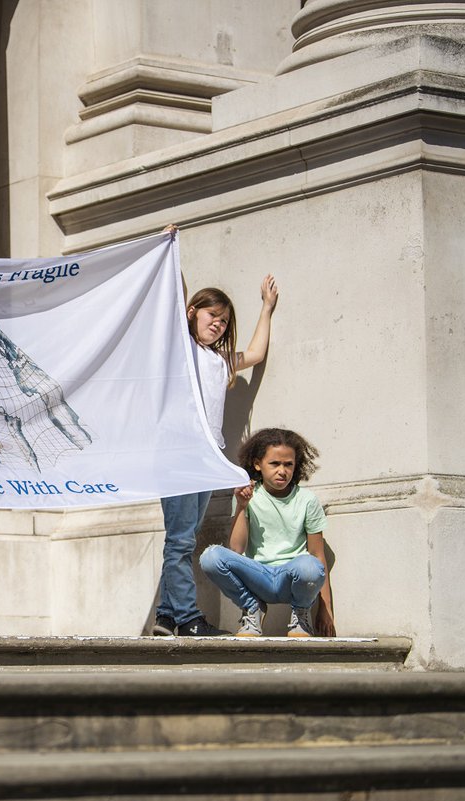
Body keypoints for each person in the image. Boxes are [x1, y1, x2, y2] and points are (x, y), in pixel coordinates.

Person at [153, 233, 279, 637]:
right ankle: (187, 618)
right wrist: (171, 250)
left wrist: (267, 308)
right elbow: (174, 295)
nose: (218, 325)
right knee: (179, 539)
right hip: (177, 453)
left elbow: (255, 354)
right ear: (192, 313)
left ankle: (167, 616)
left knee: (185, 537)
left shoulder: (219, 360)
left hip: (208, 456)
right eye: (212, 317)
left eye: (224, 321)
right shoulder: (180, 348)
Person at [199, 428, 335, 637]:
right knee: (211, 556)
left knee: (310, 565)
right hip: (258, 578)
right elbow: (236, 549)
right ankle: (252, 607)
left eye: (288, 464)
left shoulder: (307, 500)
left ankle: (300, 615)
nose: (282, 471)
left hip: (291, 578)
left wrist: (326, 611)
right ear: (257, 464)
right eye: (275, 464)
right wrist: (242, 506)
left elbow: (318, 556)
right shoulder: (248, 494)